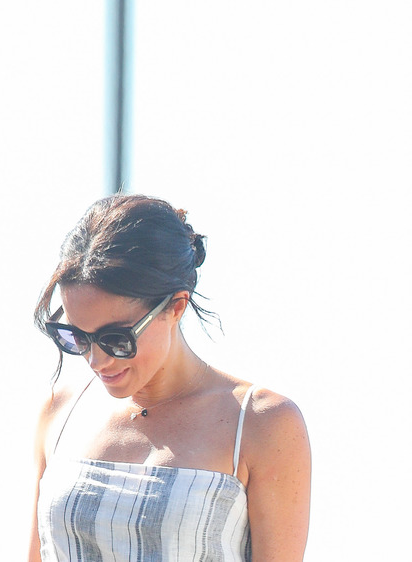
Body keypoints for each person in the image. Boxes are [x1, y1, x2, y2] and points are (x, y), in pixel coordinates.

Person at [28, 194, 310, 561]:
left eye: (116, 339)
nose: (96, 358)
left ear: (176, 307)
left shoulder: (262, 422)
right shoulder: (60, 410)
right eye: (77, 337)